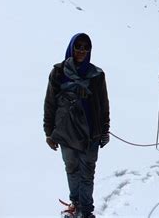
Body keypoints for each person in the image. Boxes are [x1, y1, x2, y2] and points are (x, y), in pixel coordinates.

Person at [44, 33, 110, 218]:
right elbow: (50, 103)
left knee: (87, 173)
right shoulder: (58, 72)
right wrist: (49, 132)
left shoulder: (97, 75)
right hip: (66, 132)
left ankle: (86, 211)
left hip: (91, 134)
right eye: (78, 46)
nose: (81, 50)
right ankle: (76, 204)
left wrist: (105, 129)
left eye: (85, 47)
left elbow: (103, 104)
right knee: (71, 169)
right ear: (71, 47)